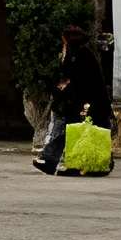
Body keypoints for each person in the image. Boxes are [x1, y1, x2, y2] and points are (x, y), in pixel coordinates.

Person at [34, 21, 108, 174]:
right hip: (78, 100)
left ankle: (67, 163)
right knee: (69, 130)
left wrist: (65, 86)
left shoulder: (81, 55)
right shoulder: (75, 54)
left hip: (86, 102)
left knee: (78, 131)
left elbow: (78, 79)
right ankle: (51, 160)